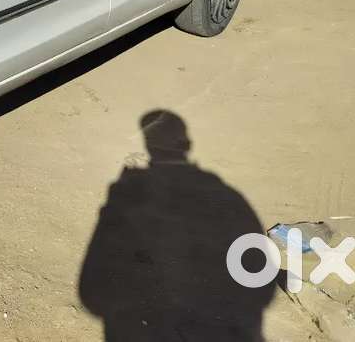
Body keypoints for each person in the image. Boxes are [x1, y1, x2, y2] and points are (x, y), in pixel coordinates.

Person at [78, 110, 275, 341]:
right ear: (187, 145)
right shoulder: (229, 198)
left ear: (148, 148)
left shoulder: (127, 200)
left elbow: (91, 293)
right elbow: (261, 282)